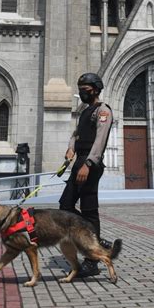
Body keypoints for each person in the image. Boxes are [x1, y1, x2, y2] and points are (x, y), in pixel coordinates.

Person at [59, 72, 113, 278]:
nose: (82, 93)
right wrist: (71, 148)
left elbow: (100, 139)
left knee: (90, 210)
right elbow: (77, 133)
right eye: (80, 89)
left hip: (90, 164)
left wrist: (89, 163)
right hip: (79, 161)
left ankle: (92, 261)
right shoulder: (84, 110)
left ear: (96, 90)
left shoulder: (103, 111)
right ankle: (97, 239)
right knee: (65, 204)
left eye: (86, 90)